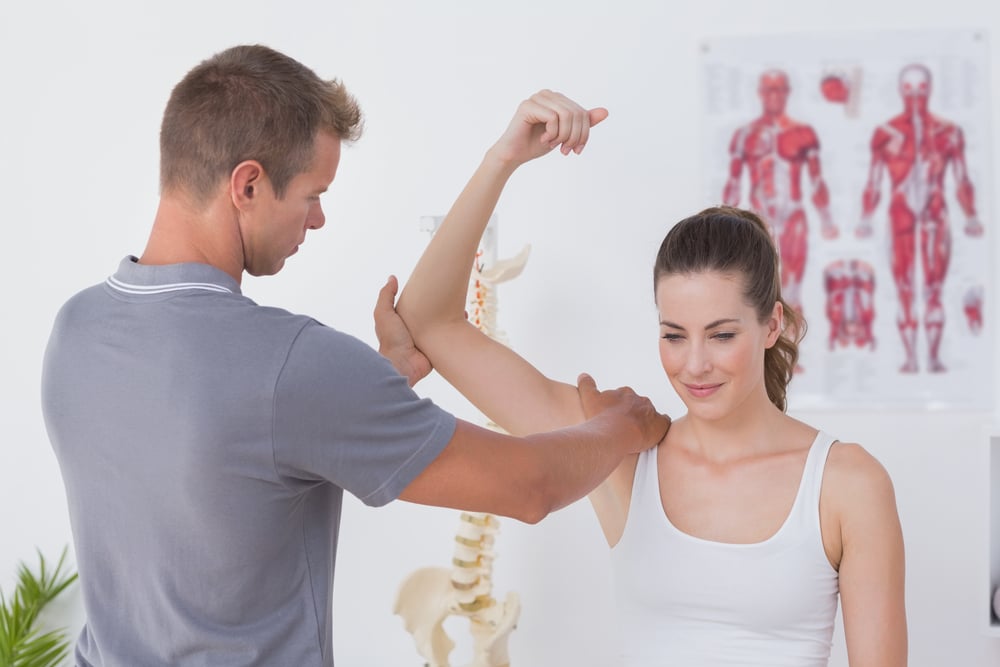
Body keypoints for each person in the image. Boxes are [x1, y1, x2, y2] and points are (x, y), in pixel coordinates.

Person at [39, 46, 669, 667]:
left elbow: (220, 456)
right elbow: (530, 487)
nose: (317, 220)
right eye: (313, 194)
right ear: (248, 184)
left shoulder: (75, 330)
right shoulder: (294, 366)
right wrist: (622, 426)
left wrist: (382, 381)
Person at [386, 90, 907, 666]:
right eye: (674, 334)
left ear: (772, 324)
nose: (694, 364)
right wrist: (500, 160)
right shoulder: (620, 451)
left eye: (723, 334)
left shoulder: (847, 484)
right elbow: (431, 322)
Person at [856, 62, 983, 374]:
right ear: (901, 91)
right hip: (900, 214)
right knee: (904, 289)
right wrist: (866, 217)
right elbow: (873, 181)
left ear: (930, 90)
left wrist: (970, 215)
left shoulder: (949, 133)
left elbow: (962, 178)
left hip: (935, 215)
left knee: (933, 291)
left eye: (922, 89)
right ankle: (911, 358)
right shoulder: (886, 134)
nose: (916, 96)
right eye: (909, 89)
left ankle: (935, 358)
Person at [723, 68, 839, 319]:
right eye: (768, 90)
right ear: (760, 94)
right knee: (756, 293)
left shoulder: (802, 134)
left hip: (793, 218)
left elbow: (817, 180)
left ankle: (791, 357)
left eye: (779, 90)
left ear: (787, 93)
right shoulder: (744, 136)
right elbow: (733, 183)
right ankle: (763, 358)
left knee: (793, 292)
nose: (774, 96)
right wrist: (719, 226)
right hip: (758, 222)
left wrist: (827, 220)